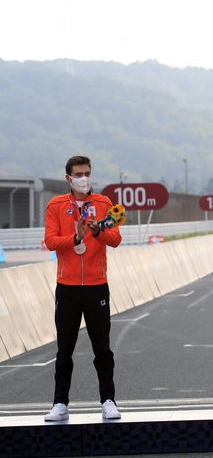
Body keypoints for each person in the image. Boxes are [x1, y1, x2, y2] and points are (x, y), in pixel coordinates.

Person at [43, 156, 123, 421]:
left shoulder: (103, 204)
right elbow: (51, 241)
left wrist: (97, 231)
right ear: (69, 178)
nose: (83, 178)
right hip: (67, 287)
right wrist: (76, 237)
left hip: (96, 286)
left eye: (87, 173)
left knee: (102, 347)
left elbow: (116, 239)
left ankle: (108, 400)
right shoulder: (55, 205)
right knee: (64, 347)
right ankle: (60, 403)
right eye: (78, 174)